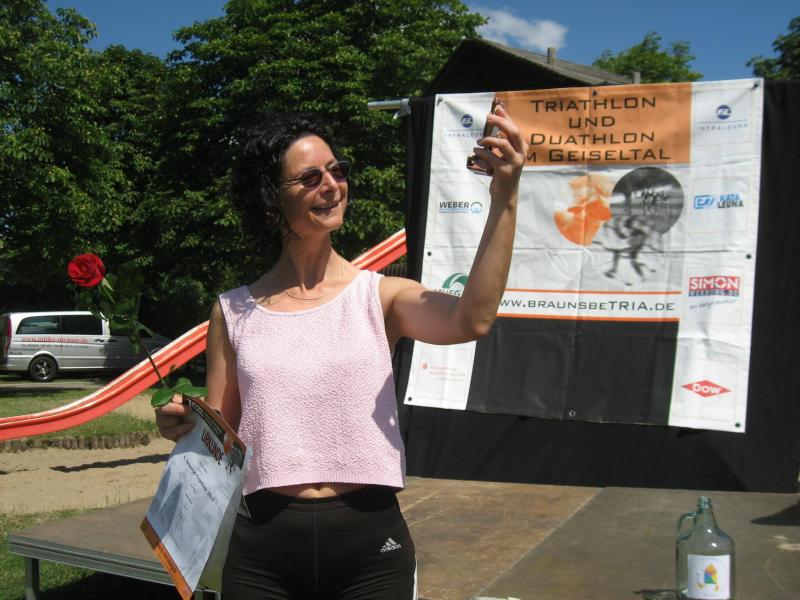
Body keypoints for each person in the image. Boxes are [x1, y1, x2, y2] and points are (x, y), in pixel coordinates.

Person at [155, 103, 527, 599]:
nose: (331, 185)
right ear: (270, 200)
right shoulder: (233, 310)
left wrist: (505, 196)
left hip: (370, 552)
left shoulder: (380, 297)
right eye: (310, 178)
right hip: (261, 552)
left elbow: (471, 319)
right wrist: (182, 421)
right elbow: (221, 434)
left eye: (337, 171)